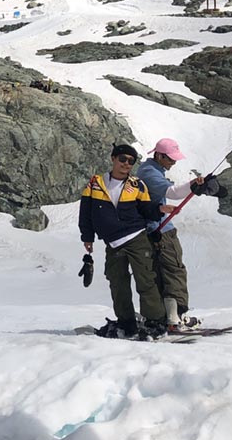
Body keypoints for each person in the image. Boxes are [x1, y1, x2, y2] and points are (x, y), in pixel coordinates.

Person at [79, 143, 167, 338]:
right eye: (123, 159)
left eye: (131, 161)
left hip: (137, 238)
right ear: (113, 158)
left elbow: (146, 210)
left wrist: (159, 210)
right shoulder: (95, 184)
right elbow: (85, 212)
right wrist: (87, 237)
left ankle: (155, 322)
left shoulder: (137, 185)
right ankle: (126, 323)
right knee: (117, 283)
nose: (126, 164)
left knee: (145, 280)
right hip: (113, 243)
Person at [135, 138, 205, 331]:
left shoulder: (152, 170)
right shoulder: (149, 172)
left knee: (161, 271)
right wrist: (193, 185)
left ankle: (164, 317)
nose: (174, 162)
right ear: (159, 155)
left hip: (155, 228)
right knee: (174, 269)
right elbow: (172, 193)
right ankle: (176, 317)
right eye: (171, 159)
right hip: (161, 230)